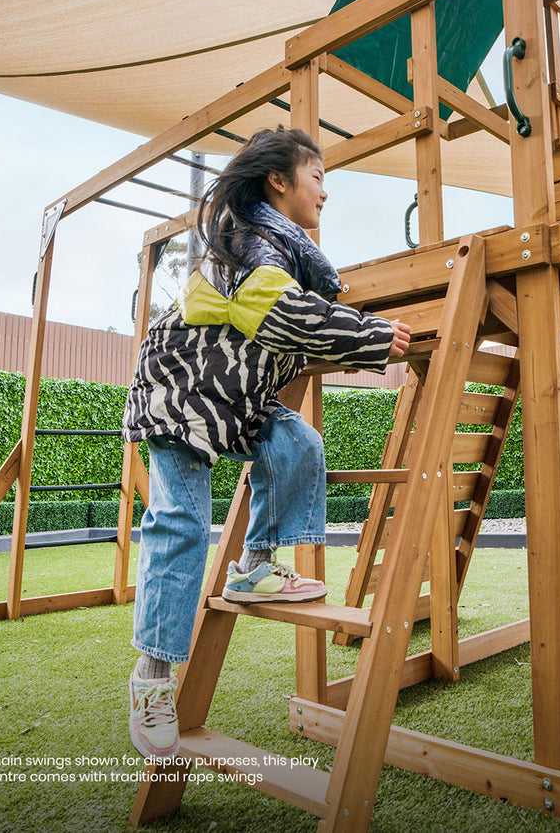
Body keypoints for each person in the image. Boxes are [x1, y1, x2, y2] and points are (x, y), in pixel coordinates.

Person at [121, 126, 411, 759]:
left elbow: (292, 318)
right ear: (280, 182)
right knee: (181, 523)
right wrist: (367, 334)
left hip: (237, 396)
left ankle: (252, 570)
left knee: (299, 444)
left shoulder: (284, 251)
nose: (326, 194)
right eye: (318, 178)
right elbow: (278, 316)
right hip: (180, 389)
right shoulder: (251, 244)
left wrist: (349, 322)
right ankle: (152, 678)